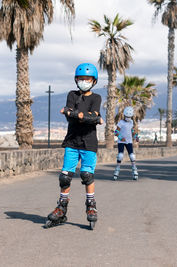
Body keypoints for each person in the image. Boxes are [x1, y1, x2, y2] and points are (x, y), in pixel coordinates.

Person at [45, 63, 103, 229]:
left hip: (89, 142)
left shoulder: (96, 98)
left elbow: (88, 115)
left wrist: (76, 113)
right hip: (72, 141)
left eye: (88, 79)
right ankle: (62, 207)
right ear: (76, 80)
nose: (84, 81)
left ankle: (91, 205)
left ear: (94, 81)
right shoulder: (72, 95)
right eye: (81, 78)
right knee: (65, 176)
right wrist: (88, 117)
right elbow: (75, 118)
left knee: (86, 175)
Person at [113, 106, 140, 180]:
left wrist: (136, 137)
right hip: (121, 141)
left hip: (129, 141)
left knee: (132, 156)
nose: (128, 118)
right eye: (127, 116)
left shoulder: (131, 122)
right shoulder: (121, 122)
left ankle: (134, 170)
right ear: (124, 115)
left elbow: (132, 131)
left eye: (129, 116)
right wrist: (121, 137)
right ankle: (117, 169)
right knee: (120, 155)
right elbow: (116, 132)